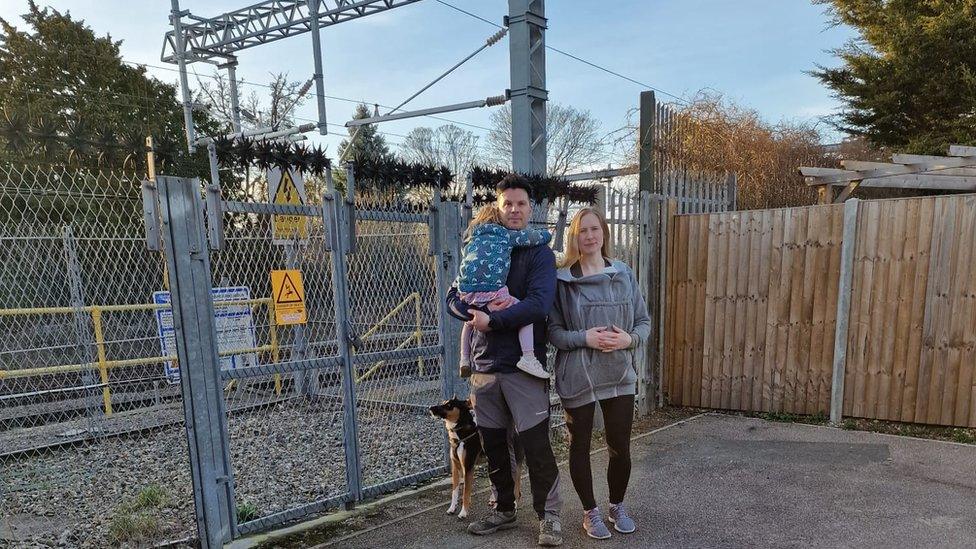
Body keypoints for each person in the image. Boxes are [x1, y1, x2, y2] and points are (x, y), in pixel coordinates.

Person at [446, 175, 563, 547]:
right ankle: (503, 508)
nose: (514, 210)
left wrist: (492, 320)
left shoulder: (538, 254)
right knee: (494, 444)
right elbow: (455, 292)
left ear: (531, 209)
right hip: (483, 366)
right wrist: (463, 311)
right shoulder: (482, 241)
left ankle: (550, 517)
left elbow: (539, 305)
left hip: (522, 367)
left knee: (536, 444)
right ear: (498, 205)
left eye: (521, 204)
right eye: (507, 203)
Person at [547, 207, 650, 540]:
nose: (589, 236)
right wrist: (585, 338)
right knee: (579, 445)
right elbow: (554, 333)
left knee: (620, 445)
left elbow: (643, 323)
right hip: (579, 374)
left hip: (619, 373)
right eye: (582, 231)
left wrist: (629, 339)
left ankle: (617, 505)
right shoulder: (562, 281)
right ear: (574, 237)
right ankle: (590, 512)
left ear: (604, 233)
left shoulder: (624, 274)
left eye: (594, 229)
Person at [454, 203, 552, 380]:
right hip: (493, 291)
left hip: (467, 290)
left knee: (468, 322)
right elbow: (531, 238)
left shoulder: (471, 239)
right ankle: (528, 356)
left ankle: (463, 359)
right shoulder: (503, 234)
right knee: (523, 312)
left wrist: (481, 308)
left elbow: (465, 263)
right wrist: (547, 234)